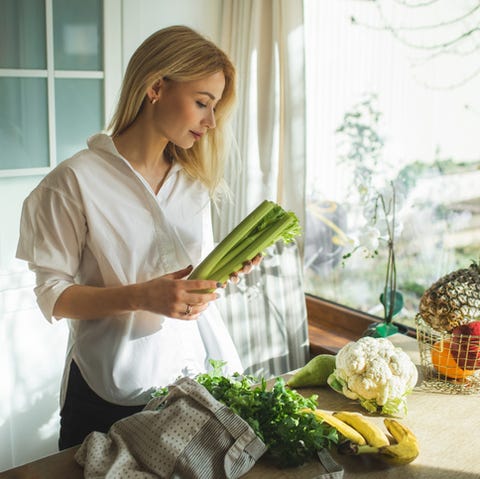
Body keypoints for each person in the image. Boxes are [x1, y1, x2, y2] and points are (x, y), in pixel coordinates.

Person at [16, 25, 260, 450]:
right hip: (106, 396)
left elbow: (187, 285)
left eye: (215, 107)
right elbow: (53, 296)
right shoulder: (74, 182)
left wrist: (220, 275)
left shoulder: (193, 182)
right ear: (156, 88)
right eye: (202, 103)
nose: (211, 121)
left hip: (190, 387)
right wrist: (141, 296)